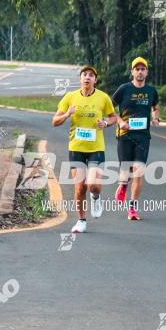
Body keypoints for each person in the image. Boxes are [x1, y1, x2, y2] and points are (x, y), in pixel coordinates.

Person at [51, 65, 119, 233]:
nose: (87, 77)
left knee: (93, 186)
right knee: (80, 187)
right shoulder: (70, 97)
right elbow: (54, 121)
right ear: (80, 79)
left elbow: (113, 117)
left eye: (91, 75)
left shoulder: (103, 98)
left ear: (95, 80)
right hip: (76, 147)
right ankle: (81, 220)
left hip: (96, 147)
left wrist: (105, 123)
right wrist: (67, 114)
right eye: (84, 75)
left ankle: (96, 197)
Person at [111, 57, 160, 221]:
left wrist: (155, 118)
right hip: (125, 135)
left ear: (147, 72)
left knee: (139, 171)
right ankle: (123, 184)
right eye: (136, 69)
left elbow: (155, 107)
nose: (140, 72)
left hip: (143, 136)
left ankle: (132, 208)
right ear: (132, 72)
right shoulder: (124, 89)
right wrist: (120, 122)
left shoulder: (151, 91)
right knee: (126, 169)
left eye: (142, 69)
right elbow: (109, 108)